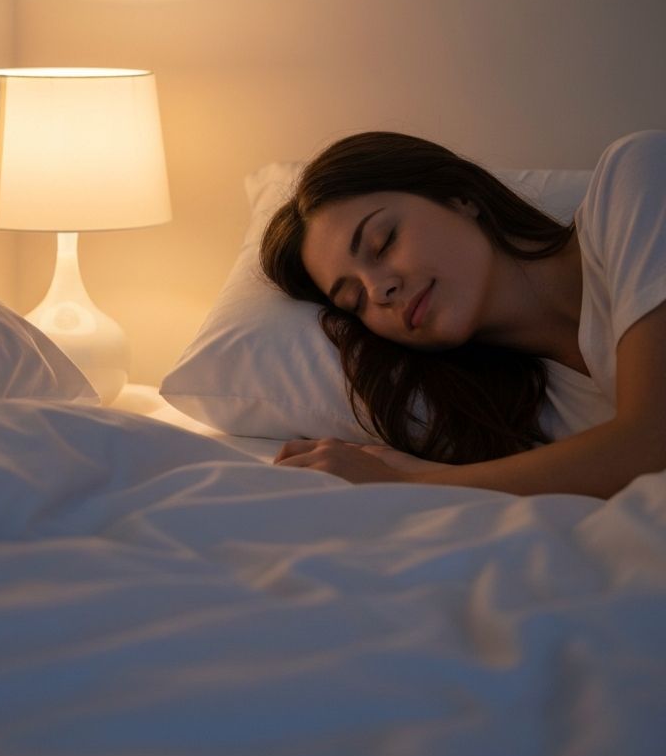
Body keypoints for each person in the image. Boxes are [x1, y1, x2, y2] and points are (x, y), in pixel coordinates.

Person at [259, 129, 666, 498]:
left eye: (383, 243)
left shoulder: (636, 179)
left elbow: (650, 439)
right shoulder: (525, 414)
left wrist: (406, 484)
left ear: (459, 197)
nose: (379, 290)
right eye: (355, 300)